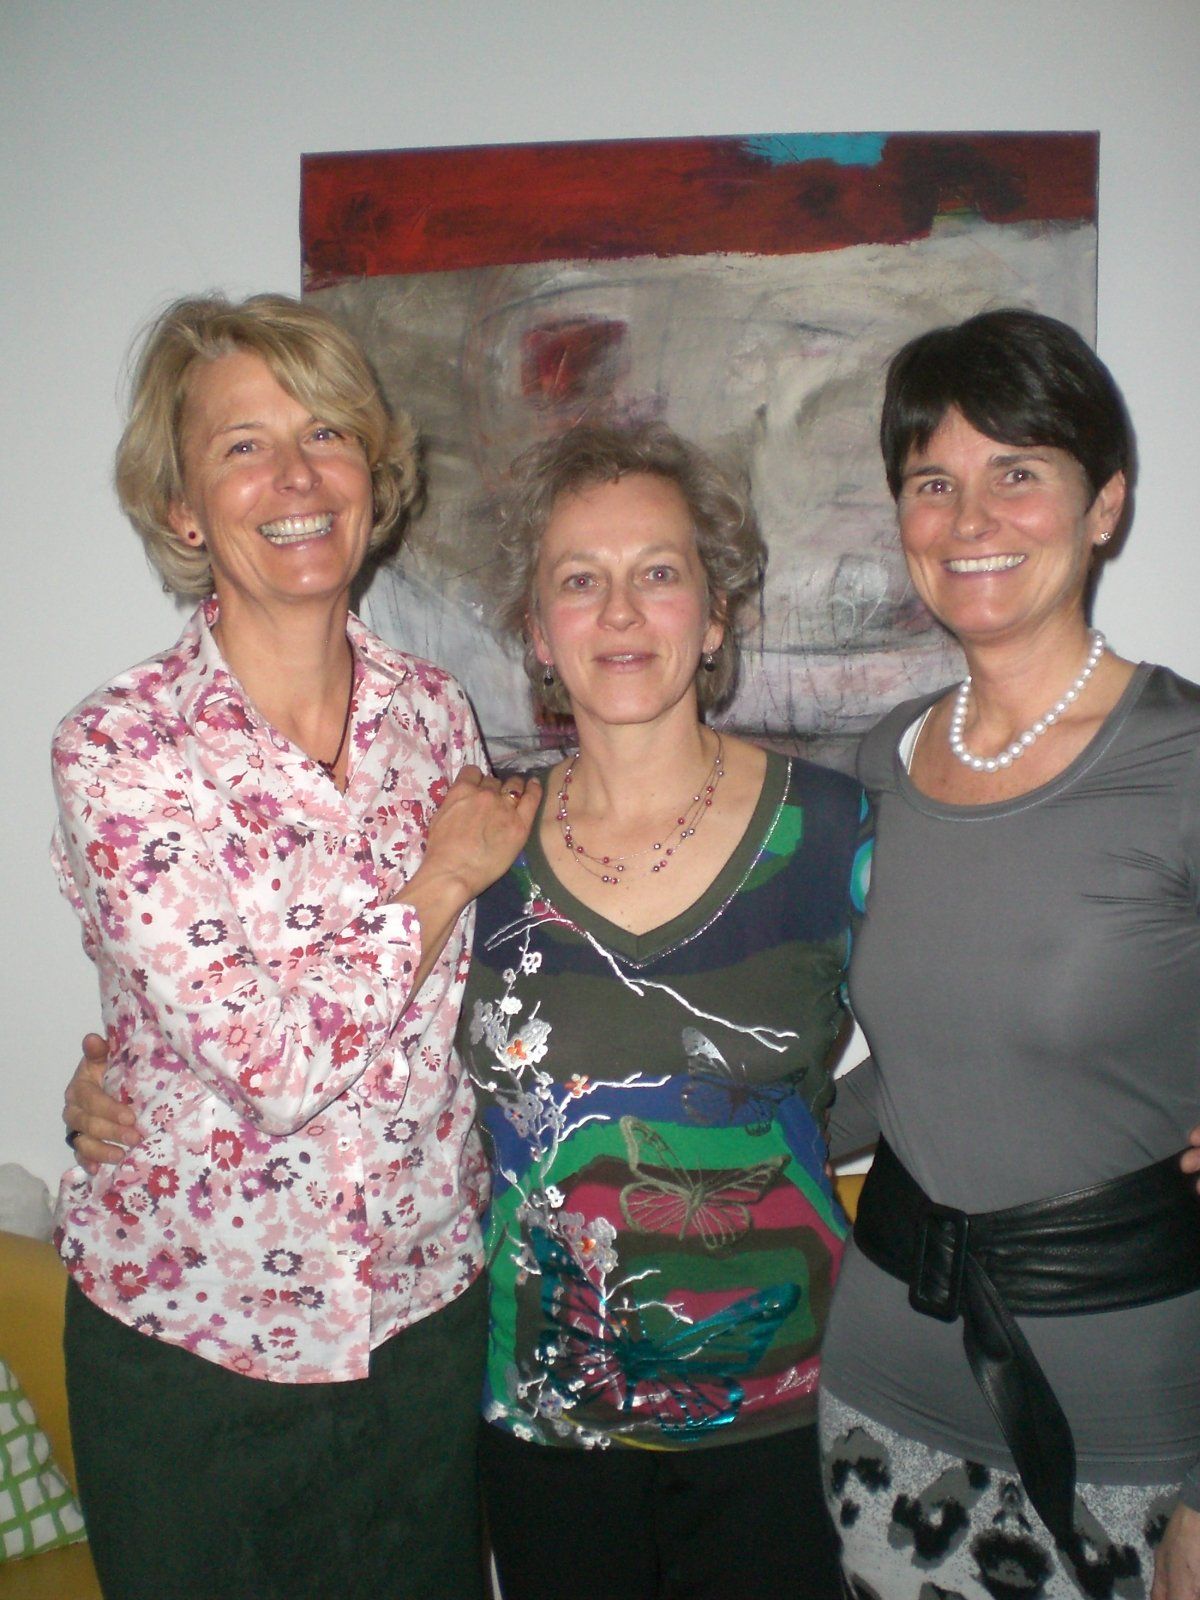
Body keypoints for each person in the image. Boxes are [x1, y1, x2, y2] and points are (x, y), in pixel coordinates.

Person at [70, 421, 867, 1600]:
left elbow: (953, 1059)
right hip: (544, 1423)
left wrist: (795, 1128)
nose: (620, 611)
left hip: (784, 1413)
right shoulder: (475, 843)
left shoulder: (837, 831)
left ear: (714, 614)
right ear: (538, 633)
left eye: (658, 572)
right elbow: (325, 1015)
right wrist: (116, 1086)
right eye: (578, 582)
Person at [49, 292, 539, 1600]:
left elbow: (494, 1001)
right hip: (190, 1343)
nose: (297, 476)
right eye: (243, 446)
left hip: (422, 1324)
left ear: (373, 475)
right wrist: (441, 876)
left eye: (326, 432)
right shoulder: (119, 748)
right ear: (182, 509)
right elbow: (269, 1064)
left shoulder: (437, 719)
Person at [819, 309, 1200, 1600]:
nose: (970, 519)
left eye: (1017, 472)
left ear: (1106, 506)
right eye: (933, 481)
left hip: (1132, 1424)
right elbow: (921, 1070)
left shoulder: (1184, 763)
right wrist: (715, 1132)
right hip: (878, 1389)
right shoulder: (879, 766)